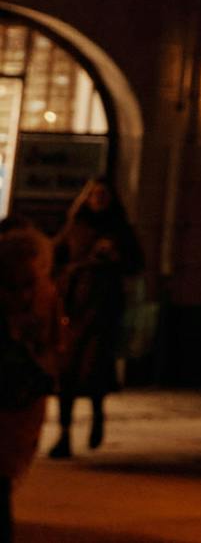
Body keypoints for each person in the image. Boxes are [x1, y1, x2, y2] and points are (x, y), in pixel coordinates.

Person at [48, 178, 143, 457]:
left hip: (103, 311)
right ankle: (64, 434)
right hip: (74, 308)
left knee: (93, 371)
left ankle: (97, 415)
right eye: (94, 195)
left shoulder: (120, 231)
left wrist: (115, 257)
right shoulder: (76, 227)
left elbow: (136, 264)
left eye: (103, 195)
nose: (98, 200)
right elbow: (56, 258)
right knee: (66, 373)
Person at [0, 226, 62, 543]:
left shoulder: (44, 296)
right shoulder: (44, 292)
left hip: (18, 401)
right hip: (22, 400)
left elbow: (51, 343)